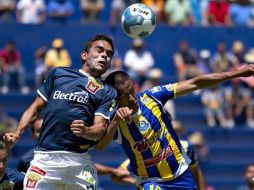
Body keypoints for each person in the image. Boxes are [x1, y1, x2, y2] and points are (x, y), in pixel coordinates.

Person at [81, 64, 254, 190]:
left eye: (132, 91)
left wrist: (236, 73)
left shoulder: (152, 97)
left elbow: (195, 83)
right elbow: (101, 147)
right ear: (116, 99)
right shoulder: (114, 119)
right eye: (126, 96)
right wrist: (115, 122)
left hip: (181, 175)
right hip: (151, 182)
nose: (133, 98)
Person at [3, 34, 118, 190]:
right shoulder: (59, 74)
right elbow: (35, 107)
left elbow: (100, 129)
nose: (104, 55)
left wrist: (86, 130)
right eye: (99, 50)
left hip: (79, 163)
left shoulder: (108, 91)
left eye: (109, 54)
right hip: (45, 160)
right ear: (84, 55)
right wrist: (17, 132)